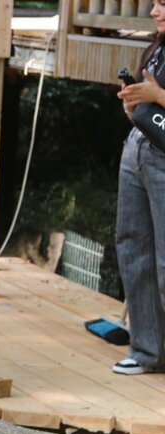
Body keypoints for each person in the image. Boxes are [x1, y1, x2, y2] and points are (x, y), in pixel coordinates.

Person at [114, 4, 165, 375]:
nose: (153, 10)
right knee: (133, 247)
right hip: (138, 146)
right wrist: (135, 103)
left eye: (162, 3)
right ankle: (148, 351)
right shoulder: (158, 45)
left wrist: (158, 97)